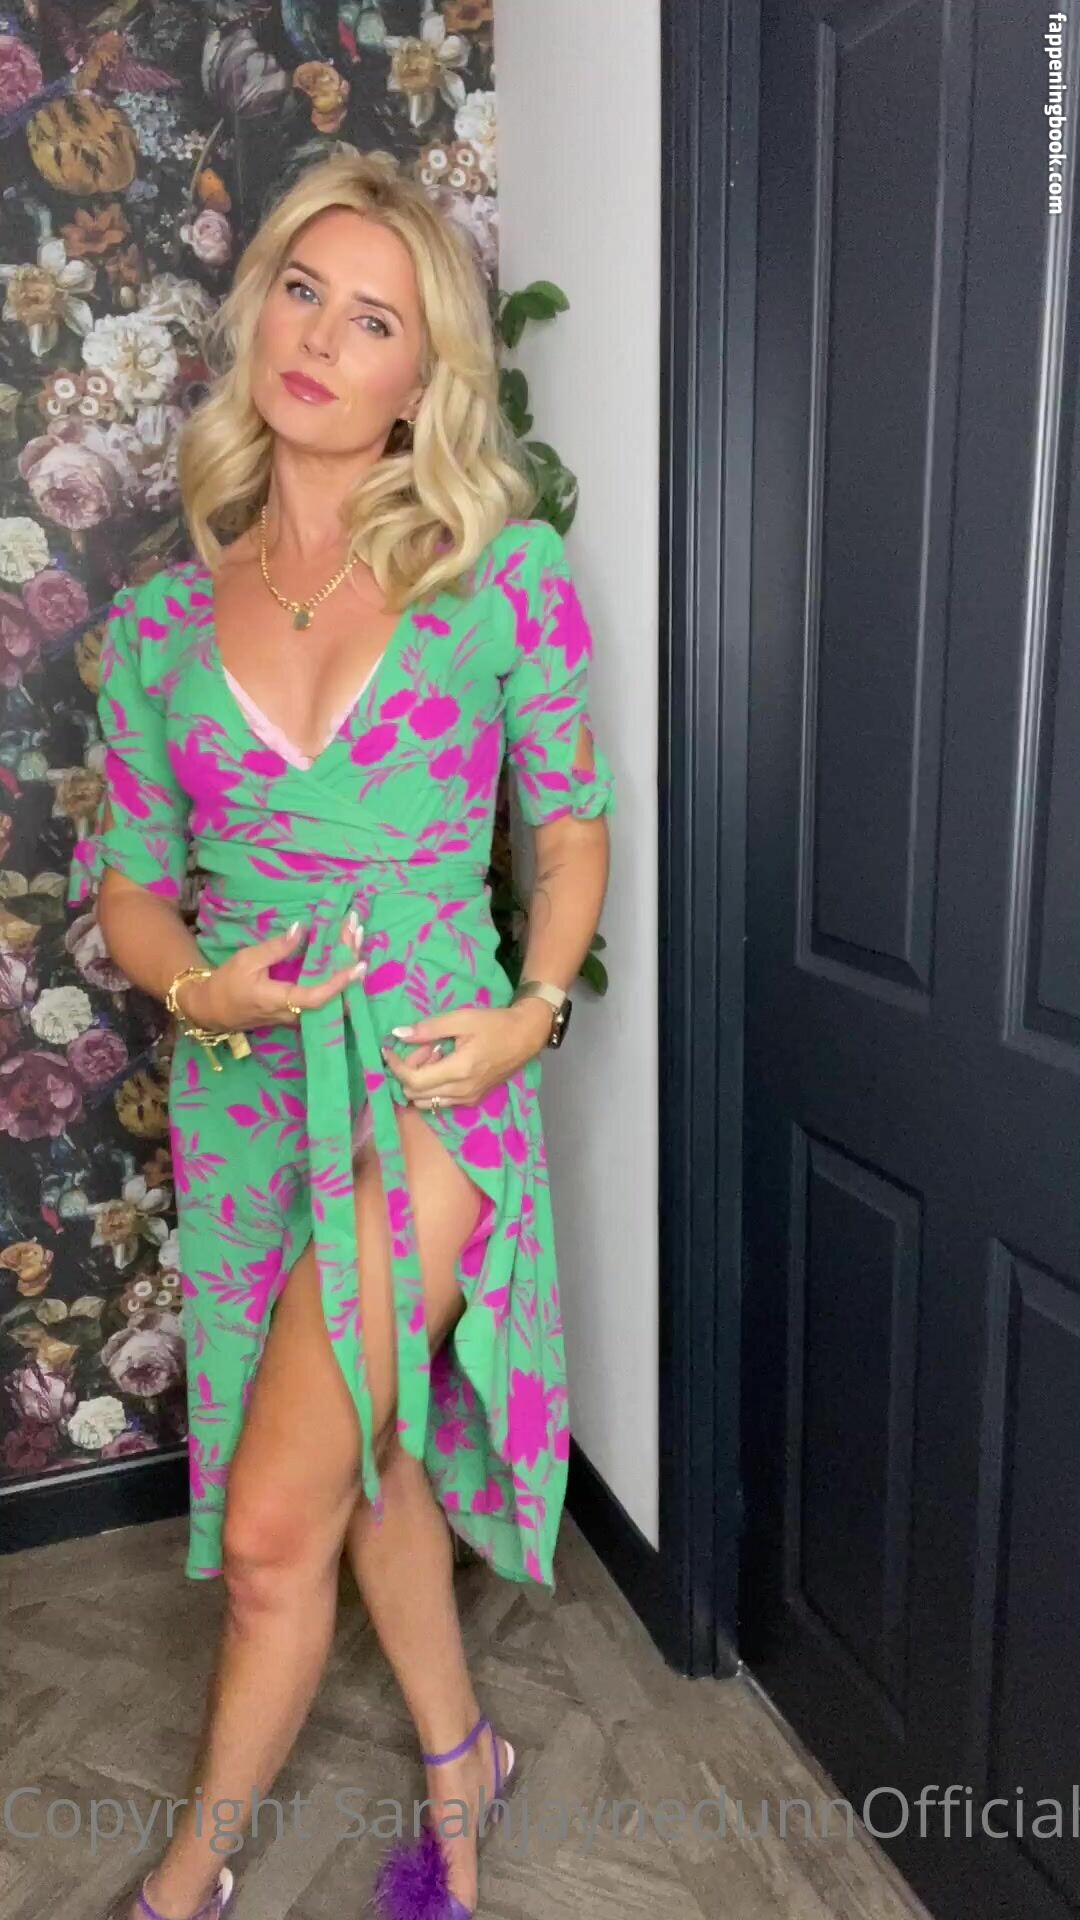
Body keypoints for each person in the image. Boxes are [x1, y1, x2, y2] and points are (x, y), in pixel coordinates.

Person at [69, 150, 615, 1920]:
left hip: (434, 1088)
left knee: (266, 1529)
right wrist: (199, 990)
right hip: (245, 1095)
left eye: (373, 318)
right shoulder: (160, 625)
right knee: (362, 1451)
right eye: (303, 292)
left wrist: (532, 1016)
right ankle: (466, 1761)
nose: (320, 337)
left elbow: (572, 829)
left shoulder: (502, 574)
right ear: (259, 318)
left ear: (420, 374)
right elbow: (131, 892)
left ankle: (185, 1884)